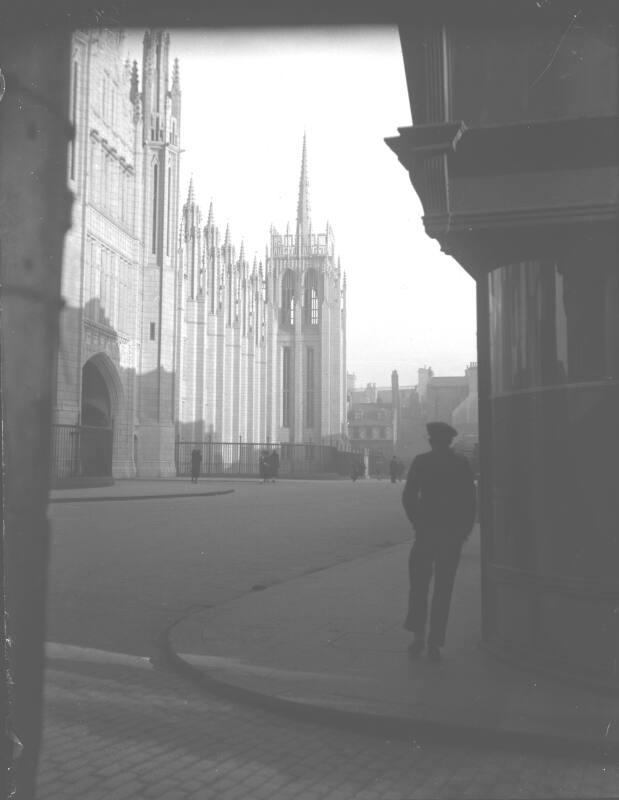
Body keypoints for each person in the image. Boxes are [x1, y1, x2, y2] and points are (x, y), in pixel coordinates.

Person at [402, 422, 476, 662]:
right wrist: (463, 531)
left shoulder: (422, 462)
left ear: (431, 441)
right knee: (444, 589)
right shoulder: (461, 464)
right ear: (450, 442)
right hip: (451, 535)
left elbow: (409, 496)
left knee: (419, 586)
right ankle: (435, 642)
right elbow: (470, 501)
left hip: (426, 532)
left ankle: (418, 637)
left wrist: (417, 521)